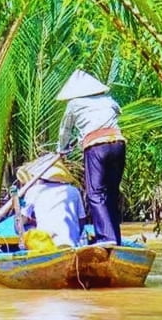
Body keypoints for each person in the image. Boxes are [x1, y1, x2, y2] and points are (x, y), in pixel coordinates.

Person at [55, 69, 125, 246]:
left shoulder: (74, 104)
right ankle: (115, 239)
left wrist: (62, 149)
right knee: (111, 193)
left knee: (96, 194)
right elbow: (118, 111)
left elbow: (65, 131)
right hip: (118, 143)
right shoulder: (108, 100)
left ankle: (106, 239)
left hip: (96, 147)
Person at [17, 153, 86, 249]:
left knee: (28, 230)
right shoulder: (73, 190)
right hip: (71, 243)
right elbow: (81, 221)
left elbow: (20, 222)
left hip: (47, 244)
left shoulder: (34, 191)